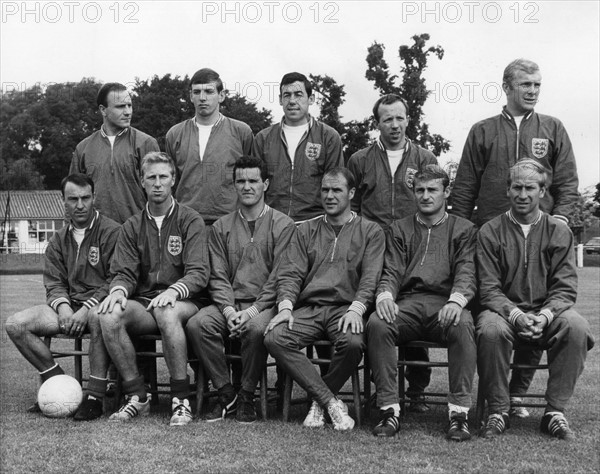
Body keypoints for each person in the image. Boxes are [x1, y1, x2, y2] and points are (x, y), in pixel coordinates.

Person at [451, 58, 580, 417]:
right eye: (526, 85)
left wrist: (562, 218)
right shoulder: (482, 130)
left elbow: (568, 181)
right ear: (507, 87)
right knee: (493, 316)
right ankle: (494, 397)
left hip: (540, 237)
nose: (533, 91)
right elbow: (464, 188)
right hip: (491, 239)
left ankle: (517, 392)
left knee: (537, 305)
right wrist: (461, 233)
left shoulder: (553, 128)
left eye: (538, 85)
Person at [476, 160, 594, 440]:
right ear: (507, 190)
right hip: (503, 312)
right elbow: (489, 288)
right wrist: (516, 314)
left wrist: (544, 316)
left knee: (576, 326)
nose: (523, 194)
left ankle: (554, 411)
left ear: (543, 191)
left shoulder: (558, 230)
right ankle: (498, 410)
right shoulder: (490, 231)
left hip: (547, 313)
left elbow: (564, 287)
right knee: (490, 329)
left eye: (530, 187)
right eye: (517, 187)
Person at [264, 167, 385, 431]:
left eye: (337, 190)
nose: (329, 196)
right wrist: (285, 306)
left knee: (353, 343)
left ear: (351, 193)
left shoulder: (371, 231)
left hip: (346, 308)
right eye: (325, 190)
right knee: (274, 337)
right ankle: (329, 402)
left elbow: (371, 277)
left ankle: (318, 404)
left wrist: (357, 309)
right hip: (309, 308)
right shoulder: (306, 229)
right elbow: (290, 273)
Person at [366, 165, 477, 440]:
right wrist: (385, 296)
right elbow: (391, 269)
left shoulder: (463, 229)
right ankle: (389, 409)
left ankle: (459, 414)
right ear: (413, 192)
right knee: (378, 323)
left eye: (432, 190)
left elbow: (467, 270)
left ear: (446, 192)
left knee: (463, 325)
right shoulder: (399, 228)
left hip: (445, 303)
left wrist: (457, 301)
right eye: (420, 190)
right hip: (409, 304)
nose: (426, 196)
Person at [98, 152, 210, 426]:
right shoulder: (132, 226)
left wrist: (174, 291)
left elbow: (199, 272)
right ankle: (138, 395)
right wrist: (118, 291)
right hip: (146, 302)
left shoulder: (190, 219)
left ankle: (180, 400)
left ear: (173, 180)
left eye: (163, 177)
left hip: (187, 302)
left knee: (166, 310)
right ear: (142, 183)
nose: (158, 183)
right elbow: (123, 272)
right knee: (109, 315)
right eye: (152, 178)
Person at [186, 156, 296, 424]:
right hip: (229, 304)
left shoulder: (284, 225)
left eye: (253, 181)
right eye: (241, 181)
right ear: (234, 185)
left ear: (265, 184)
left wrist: (252, 311)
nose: (247, 187)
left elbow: (281, 276)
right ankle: (226, 393)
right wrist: (227, 310)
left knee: (257, 328)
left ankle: (246, 393)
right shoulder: (221, 227)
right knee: (197, 324)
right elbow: (218, 275)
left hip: (264, 305)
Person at [348, 94, 438, 411]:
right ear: (378, 124)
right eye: (388, 119)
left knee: (413, 310)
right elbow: (354, 209)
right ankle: (380, 389)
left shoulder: (425, 157)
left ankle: (416, 390)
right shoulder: (360, 160)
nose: (395, 125)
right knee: (377, 314)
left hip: (413, 248)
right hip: (373, 248)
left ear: (408, 119)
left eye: (400, 118)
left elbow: (434, 204)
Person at [5, 174, 120, 421]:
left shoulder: (112, 232)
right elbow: (54, 282)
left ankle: (94, 398)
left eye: (85, 198)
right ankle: (58, 383)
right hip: (68, 309)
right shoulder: (58, 239)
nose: (80, 205)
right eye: (73, 199)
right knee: (16, 324)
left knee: (100, 318)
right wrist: (65, 308)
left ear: (94, 198)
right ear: (63, 202)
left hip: (100, 307)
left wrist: (86, 309)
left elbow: (116, 279)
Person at [165, 68, 254, 225]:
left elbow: (251, 177)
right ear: (191, 96)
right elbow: (170, 181)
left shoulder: (241, 132)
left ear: (221, 95)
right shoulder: (175, 134)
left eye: (209, 91)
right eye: (197, 92)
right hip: (186, 221)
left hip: (230, 221)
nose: (203, 98)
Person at [253, 72, 344, 223]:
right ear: (280, 100)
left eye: (298, 94)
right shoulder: (263, 138)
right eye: (287, 95)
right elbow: (255, 183)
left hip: (315, 222)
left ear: (311, 99)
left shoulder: (328, 137)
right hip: (272, 223)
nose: (292, 101)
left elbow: (336, 185)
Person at [70, 82, 160, 225]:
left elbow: (159, 194)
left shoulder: (146, 143)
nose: (128, 112)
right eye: (120, 106)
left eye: (129, 105)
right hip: (97, 236)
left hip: (137, 235)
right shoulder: (83, 148)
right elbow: (73, 196)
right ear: (103, 110)